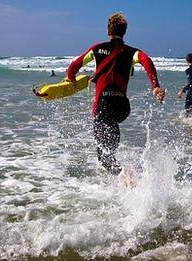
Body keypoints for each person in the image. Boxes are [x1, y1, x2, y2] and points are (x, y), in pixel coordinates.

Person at [66, 12, 165, 175]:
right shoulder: (133, 52)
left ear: (108, 31)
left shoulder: (97, 49)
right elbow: (147, 61)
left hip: (102, 105)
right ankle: (121, 182)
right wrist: (155, 86)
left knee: (104, 157)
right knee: (110, 146)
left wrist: (71, 79)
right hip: (122, 108)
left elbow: (73, 66)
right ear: (124, 32)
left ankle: (126, 177)